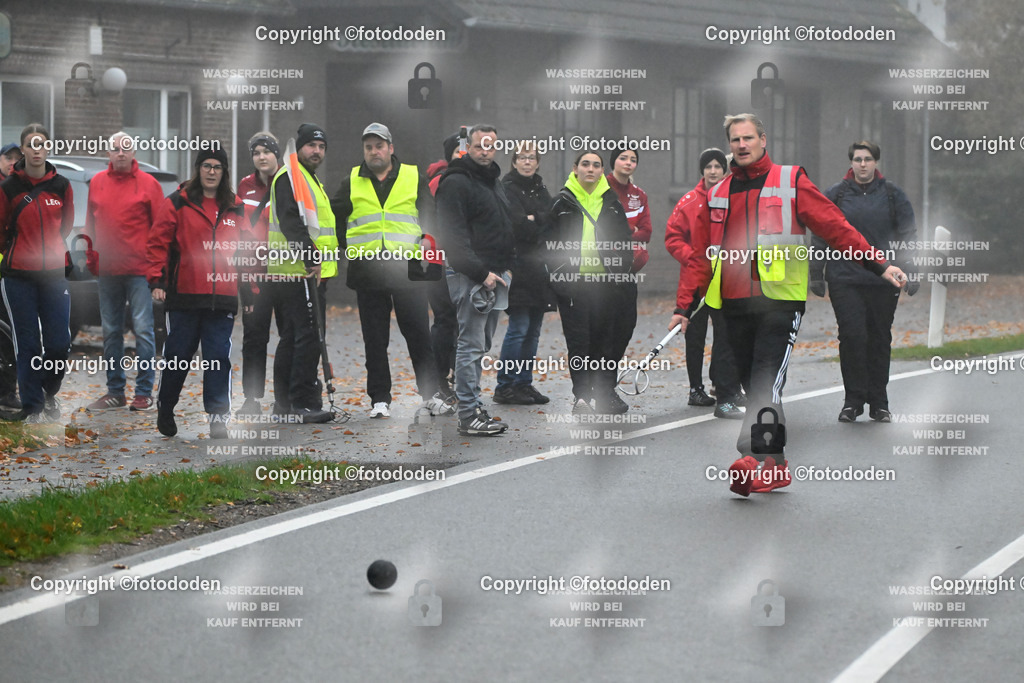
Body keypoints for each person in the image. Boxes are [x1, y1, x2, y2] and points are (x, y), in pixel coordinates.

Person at [670, 114, 907, 496]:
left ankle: (753, 453)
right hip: (732, 304)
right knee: (752, 382)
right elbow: (701, 255)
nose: (742, 145)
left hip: (779, 303)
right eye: (735, 140)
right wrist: (685, 306)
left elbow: (834, 226)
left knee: (766, 380)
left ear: (763, 139)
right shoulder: (717, 193)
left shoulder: (791, 180)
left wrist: (878, 263)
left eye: (749, 138)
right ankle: (776, 466)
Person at [330, 122, 445, 418]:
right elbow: (335, 217)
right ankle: (379, 399)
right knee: (375, 339)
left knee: (418, 334)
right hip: (368, 273)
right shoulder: (352, 181)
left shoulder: (411, 176)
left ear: (390, 148)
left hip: (407, 271)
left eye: (379, 146)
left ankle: (431, 395)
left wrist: (428, 252)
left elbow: (430, 216)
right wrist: (347, 246)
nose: (374, 152)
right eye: (368, 147)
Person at [812, 140, 918, 423]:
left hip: (884, 279)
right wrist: (815, 272)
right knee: (852, 336)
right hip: (844, 278)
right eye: (857, 159)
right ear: (851, 162)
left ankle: (879, 403)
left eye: (867, 159)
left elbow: (908, 234)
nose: (862, 164)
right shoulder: (835, 195)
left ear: (875, 162)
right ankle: (853, 401)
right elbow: (821, 233)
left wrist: (912, 271)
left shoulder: (893, 195)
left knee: (879, 338)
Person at [147, 146, 242, 439]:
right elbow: (157, 243)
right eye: (206, 166)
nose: (212, 172)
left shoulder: (235, 207)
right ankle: (166, 406)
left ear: (224, 172)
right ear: (198, 169)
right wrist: (157, 281)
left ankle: (218, 418)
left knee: (218, 357)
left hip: (222, 297)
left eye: (217, 167)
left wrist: (251, 289)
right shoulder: (178, 202)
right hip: (185, 296)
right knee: (178, 356)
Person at [435, 124, 515, 436]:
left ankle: (473, 406)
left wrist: (507, 269)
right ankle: (468, 415)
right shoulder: (455, 182)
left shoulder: (493, 181)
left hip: (495, 276)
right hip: (472, 276)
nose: (485, 151)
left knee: (480, 344)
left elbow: (503, 226)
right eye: (479, 146)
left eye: (491, 146)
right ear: (467, 146)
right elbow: (453, 238)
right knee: (470, 345)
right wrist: (482, 274)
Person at [549, 151, 636, 414]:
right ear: (575, 169)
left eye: (596, 165)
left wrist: (621, 272)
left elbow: (624, 243)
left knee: (606, 341)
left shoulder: (611, 203)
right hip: (574, 283)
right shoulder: (561, 203)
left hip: (606, 284)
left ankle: (604, 393)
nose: (590, 169)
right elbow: (546, 244)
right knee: (579, 342)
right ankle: (582, 398)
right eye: (585, 164)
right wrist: (559, 278)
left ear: (601, 171)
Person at [84, 132, 166, 412]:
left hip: (139, 271)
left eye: (126, 148)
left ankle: (144, 392)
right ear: (108, 153)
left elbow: (161, 229)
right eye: (115, 149)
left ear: (134, 153)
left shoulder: (149, 185)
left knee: (143, 330)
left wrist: (158, 271)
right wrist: (92, 260)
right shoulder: (96, 183)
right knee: (110, 332)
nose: (120, 153)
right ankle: (115, 391)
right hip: (107, 271)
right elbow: (90, 227)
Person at [0, 124, 74, 423]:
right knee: (28, 343)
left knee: (59, 343)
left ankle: (47, 390)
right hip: (18, 276)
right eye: (30, 145)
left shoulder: (62, 185)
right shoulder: (8, 188)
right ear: (24, 151)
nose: (36, 149)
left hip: (54, 275)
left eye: (41, 143)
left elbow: (66, 225)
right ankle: (32, 408)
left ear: (48, 148)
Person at [265, 123, 337, 424]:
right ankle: (301, 402)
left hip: (298, 270)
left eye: (321, 147)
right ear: (300, 147)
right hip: (300, 271)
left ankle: (285, 404)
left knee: (293, 337)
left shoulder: (305, 178)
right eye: (311, 146)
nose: (317, 151)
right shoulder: (291, 177)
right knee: (307, 336)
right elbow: (292, 222)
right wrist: (311, 258)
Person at [665, 148, 743, 419]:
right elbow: (672, 237)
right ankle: (695, 388)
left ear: (725, 170)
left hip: (726, 280)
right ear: (702, 171)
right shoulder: (689, 201)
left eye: (718, 166)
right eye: (708, 166)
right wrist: (692, 258)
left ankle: (721, 384)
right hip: (696, 280)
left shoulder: (733, 198)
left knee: (726, 335)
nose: (713, 171)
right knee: (695, 337)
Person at [493, 142, 555, 406]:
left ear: (538, 162)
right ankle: (505, 386)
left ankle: (524, 383)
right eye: (522, 157)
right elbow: (518, 226)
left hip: (539, 269)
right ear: (514, 161)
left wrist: (535, 218)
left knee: (534, 331)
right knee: (518, 329)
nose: (527, 162)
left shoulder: (541, 188)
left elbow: (552, 221)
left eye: (532, 157)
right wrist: (534, 221)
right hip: (518, 267)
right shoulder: (507, 188)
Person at [235, 131, 281, 417]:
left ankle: (286, 398)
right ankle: (251, 399)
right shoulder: (245, 186)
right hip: (254, 274)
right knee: (254, 337)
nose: (261, 157)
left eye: (266, 151)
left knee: (290, 336)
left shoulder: (289, 182)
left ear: (276, 153)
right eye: (256, 152)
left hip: (286, 272)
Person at [606, 146, 652, 274]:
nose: (628, 163)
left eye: (633, 160)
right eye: (623, 158)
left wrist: (619, 237)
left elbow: (646, 234)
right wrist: (632, 229)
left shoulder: (640, 195)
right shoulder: (599, 190)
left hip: (629, 270)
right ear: (613, 161)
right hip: (602, 267)